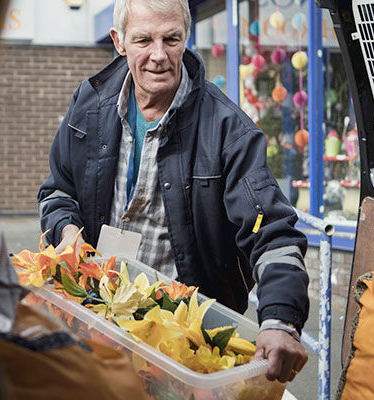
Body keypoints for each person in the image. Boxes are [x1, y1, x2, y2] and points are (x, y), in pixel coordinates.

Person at [38, 0, 309, 382]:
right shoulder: (89, 104)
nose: (158, 55)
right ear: (119, 41)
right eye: (143, 40)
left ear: (187, 38)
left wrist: (280, 319)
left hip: (187, 343)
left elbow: (273, 233)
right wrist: (69, 236)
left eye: (172, 39)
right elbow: (57, 191)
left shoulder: (229, 130)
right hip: (96, 316)